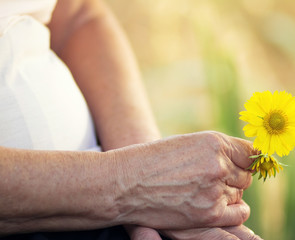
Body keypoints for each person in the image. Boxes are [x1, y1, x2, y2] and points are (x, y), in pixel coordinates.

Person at [0, 0, 262, 239]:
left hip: (110, 211)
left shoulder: (137, 194)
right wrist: (129, 185)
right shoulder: (127, 189)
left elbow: (76, 15)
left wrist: (156, 179)